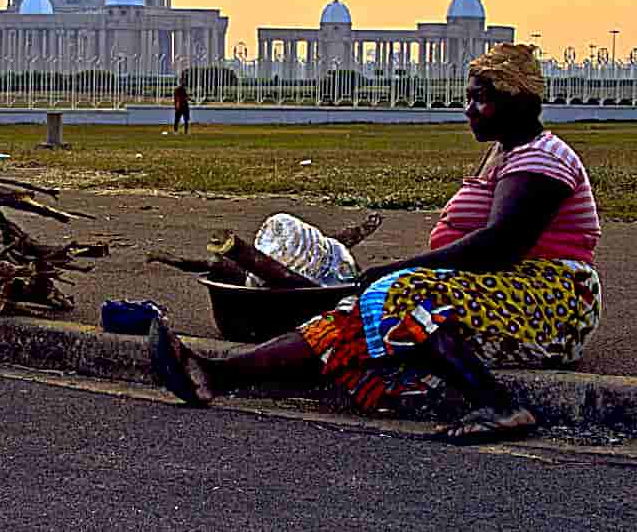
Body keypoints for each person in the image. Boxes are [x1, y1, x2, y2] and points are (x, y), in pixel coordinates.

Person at [150, 43, 602, 443]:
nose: (467, 109)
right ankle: (216, 375)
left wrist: (401, 268)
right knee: (354, 317)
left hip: (550, 300)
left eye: (480, 98)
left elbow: (499, 247)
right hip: (504, 291)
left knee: (400, 294)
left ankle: (500, 405)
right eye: (468, 97)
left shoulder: (543, 159)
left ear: (518, 100)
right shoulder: (507, 151)